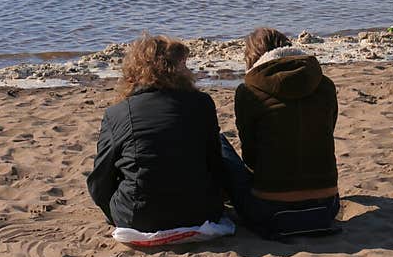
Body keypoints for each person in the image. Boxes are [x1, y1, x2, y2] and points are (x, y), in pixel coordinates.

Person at [87, 34, 225, 232]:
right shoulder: (202, 103)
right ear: (171, 69)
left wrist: (114, 213)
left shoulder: (117, 113)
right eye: (183, 64)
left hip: (138, 216)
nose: (189, 70)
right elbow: (214, 163)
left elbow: (100, 181)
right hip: (201, 212)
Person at [220, 27, 340, 239]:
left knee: (217, 141)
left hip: (270, 210)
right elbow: (328, 129)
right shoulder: (325, 85)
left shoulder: (248, 91)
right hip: (327, 206)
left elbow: (251, 155)